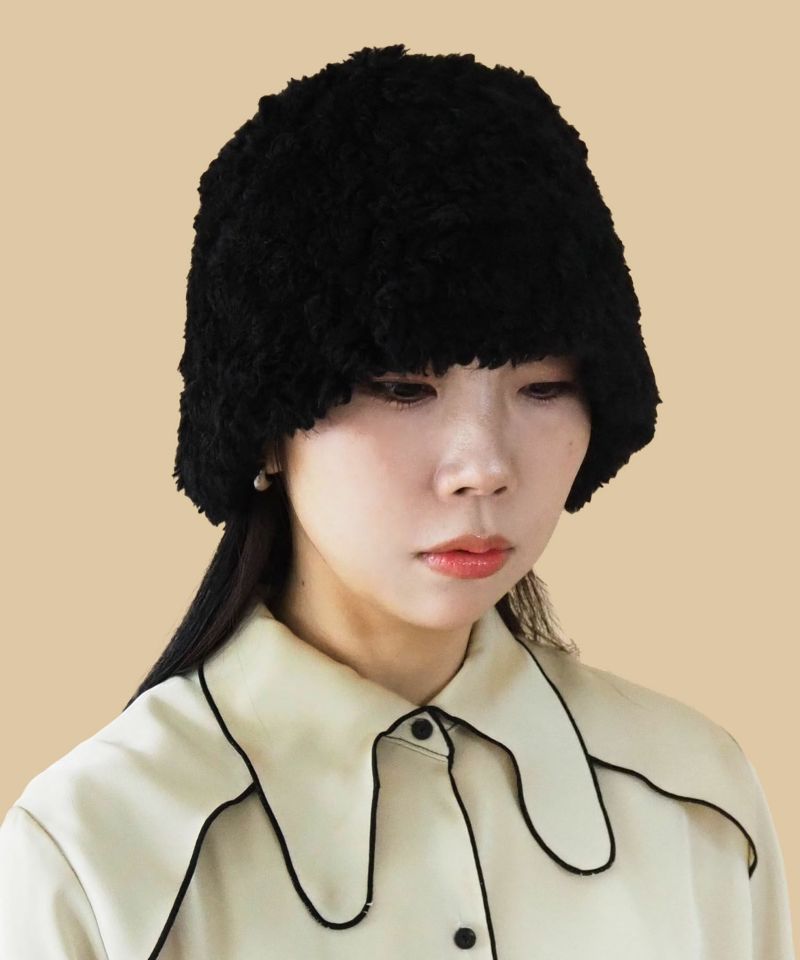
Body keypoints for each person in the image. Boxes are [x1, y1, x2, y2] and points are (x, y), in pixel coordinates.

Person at [0, 42, 793, 960]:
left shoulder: (698, 802)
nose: (483, 467)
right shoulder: (94, 855)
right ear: (266, 422)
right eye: (403, 388)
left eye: (542, 387)